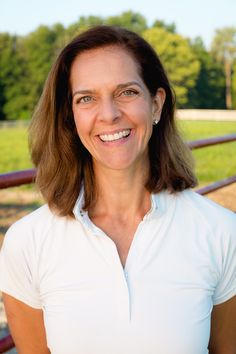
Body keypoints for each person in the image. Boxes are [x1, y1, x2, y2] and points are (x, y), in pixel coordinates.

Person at [0, 25, 236, 354]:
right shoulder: (27, 242)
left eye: (127, 92)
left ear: (156, 104)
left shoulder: (221, 232)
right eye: (87, 98)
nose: (109, 114)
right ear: (70, 117)